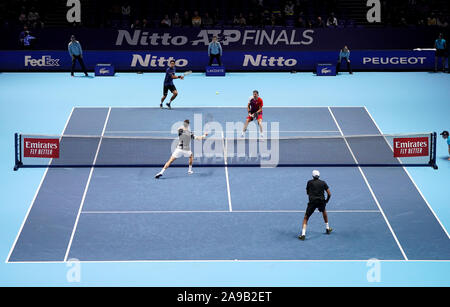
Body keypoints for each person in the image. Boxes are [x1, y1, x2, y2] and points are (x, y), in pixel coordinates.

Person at [299, 170, 332, 241]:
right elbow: (329, 194)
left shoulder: (309, 182)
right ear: (319, 176)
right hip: (321, 201)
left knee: (306, 217)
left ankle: (303, 235)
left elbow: (307, 193)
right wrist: (326, 201)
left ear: (312, 176)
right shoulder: (323, 183)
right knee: (324, 212)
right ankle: (327, 228)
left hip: (312, 202)